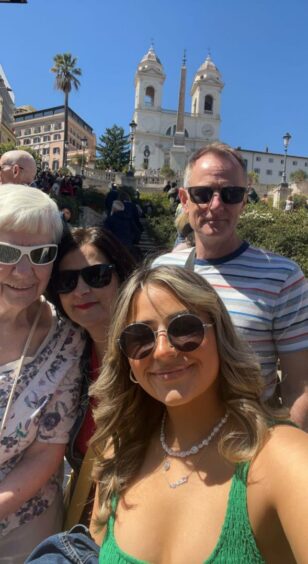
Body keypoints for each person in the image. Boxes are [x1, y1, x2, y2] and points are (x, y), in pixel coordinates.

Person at [26, 264, 308, 562]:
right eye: (140, 338)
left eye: (184, 329)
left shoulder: (281, 456)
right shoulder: (118, 454)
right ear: (127, 361)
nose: (162, 351)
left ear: (220, 336)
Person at [153, 143, 308, 430]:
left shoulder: (283, 277)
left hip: (247, 450)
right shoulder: (161, 271)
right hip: (173, 444)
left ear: (244, 201)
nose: (216, 205)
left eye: (231, 194)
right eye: (202, 194)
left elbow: (299, 388)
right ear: (185, 200)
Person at [0, 184, 83, 562]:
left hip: (23, 526)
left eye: (41, 255)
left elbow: (45, 454)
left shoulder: (67, 340)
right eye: (7, 252)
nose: (23, 271)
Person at [47, 227, 136, 527]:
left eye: (96, 276)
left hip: (139, 515)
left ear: (121, 276)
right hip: (88, 518)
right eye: (67, 281)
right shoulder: (66, 357)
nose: (81, 291)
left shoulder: (150, 356)